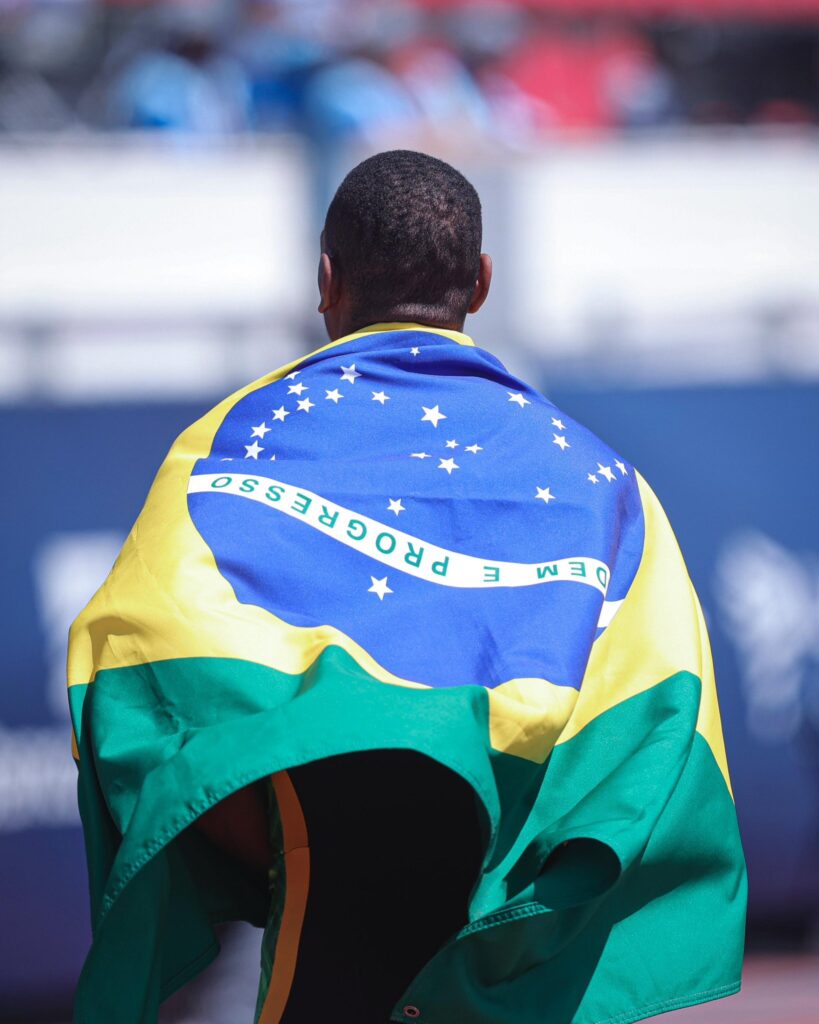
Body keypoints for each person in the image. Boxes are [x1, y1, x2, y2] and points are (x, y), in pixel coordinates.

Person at [68, 151, 746, 1024]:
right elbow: (661, 730)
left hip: (323, 950)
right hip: (515, 956)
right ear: (483, 281)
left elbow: (140, 684)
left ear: (325, 279)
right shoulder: (601, 477)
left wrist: (296, 827)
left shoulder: (229, 443)